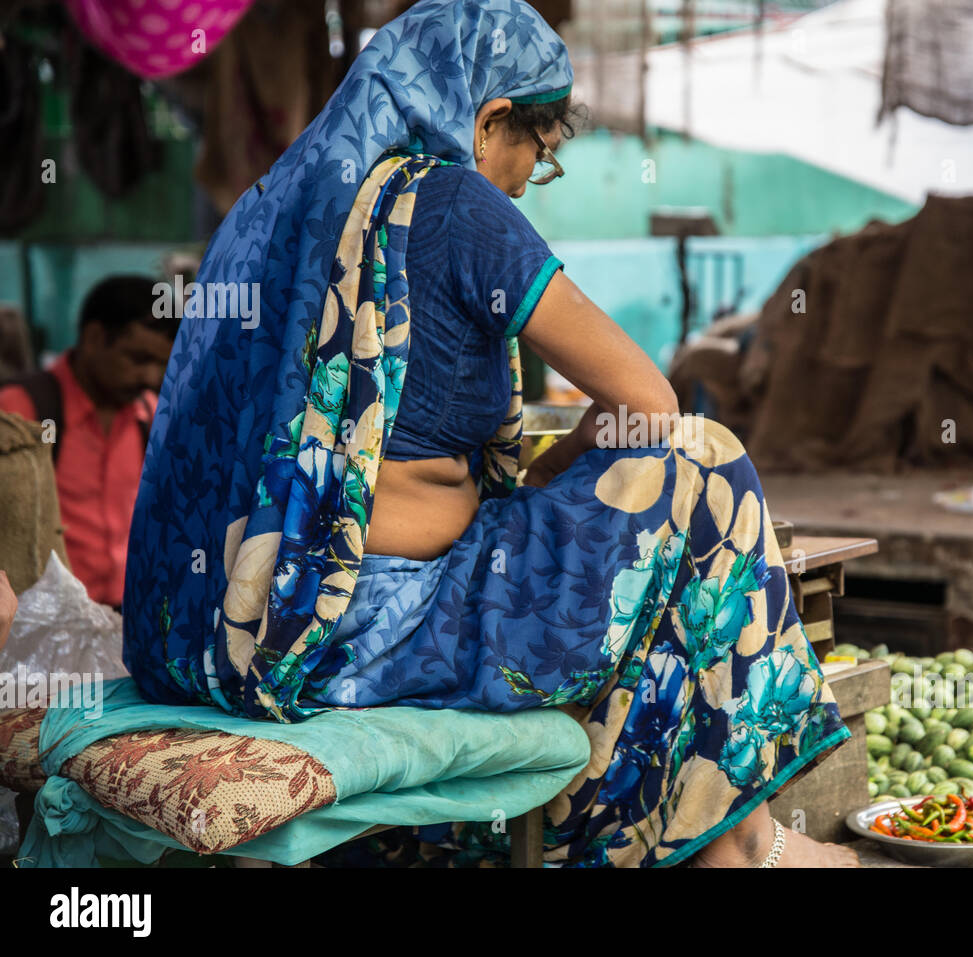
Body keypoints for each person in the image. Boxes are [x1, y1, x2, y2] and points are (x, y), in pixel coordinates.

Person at [122, 0, 856, 868]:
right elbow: (650, 404)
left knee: (622, 561)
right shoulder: (447, 199)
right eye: (535, 156)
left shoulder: (276, 208)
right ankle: (723, 842)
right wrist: (577, 458)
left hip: (247, 627)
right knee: (706, 463)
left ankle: (724, 841)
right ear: (489, 119)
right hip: (386, 622)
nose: (525, 181)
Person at [0, 277, 175, 609]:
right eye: (138, 359)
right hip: (45, 621)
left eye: (161, 364)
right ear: (95, 338)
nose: (151, 377)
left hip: (126, 617)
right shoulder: (22, 409)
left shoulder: (149, 414)